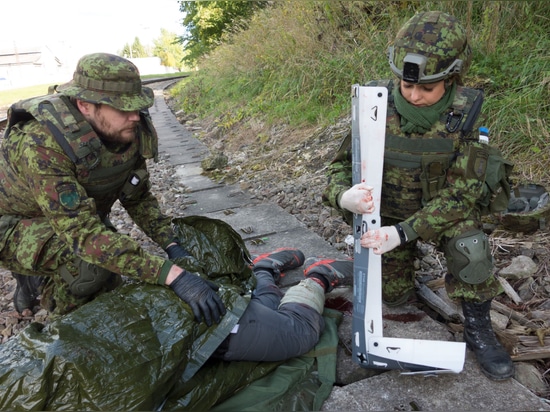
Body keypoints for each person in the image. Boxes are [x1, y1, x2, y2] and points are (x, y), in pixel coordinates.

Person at [0, 52, 350, 362]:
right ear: (85, 106)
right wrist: (171, 275)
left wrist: (172, 245)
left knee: (114, 259)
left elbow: (137, 197)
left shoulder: (126, 129)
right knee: (91, 271)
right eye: (123, 108)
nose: (135, 116)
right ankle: (64, 327)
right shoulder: (42, 142)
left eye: (137, 105)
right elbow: (81, 235)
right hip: (14, 223)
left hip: (68, 216)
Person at [318, 11, 514, 380]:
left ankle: (478, 328)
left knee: (470, 248)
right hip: (386, 217)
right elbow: (338, 167)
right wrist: (343, 195)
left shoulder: (464, 115)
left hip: (439, 216)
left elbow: (463, 193)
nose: (414, 95)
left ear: (452, 78)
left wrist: (406, 232)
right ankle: (400, 270)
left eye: (427, 88)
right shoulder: (374, 102)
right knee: (393, 299)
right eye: (407, 86)